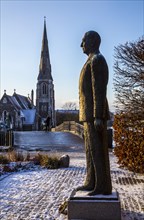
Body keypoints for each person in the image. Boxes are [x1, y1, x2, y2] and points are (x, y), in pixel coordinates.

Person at [78, 31, 112, 195]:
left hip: (94, 116)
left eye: (83, 41)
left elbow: (99, 90)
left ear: (91, 41)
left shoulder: (97, 60)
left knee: (97, 151)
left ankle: (101, 185)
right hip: (88, 115)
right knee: (90, 151)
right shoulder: (90, 60)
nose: (81, 44)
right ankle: (91, 181)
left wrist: (98, 116)